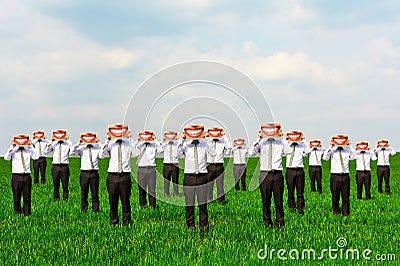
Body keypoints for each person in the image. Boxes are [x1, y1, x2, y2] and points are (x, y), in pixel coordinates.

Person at [249, 123, 285, 228]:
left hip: (277, 174)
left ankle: (280, 223)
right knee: (266, 201)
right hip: (264, 174)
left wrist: (282, 137)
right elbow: (251, 153)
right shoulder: (261, 142)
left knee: (279, 201)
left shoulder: (280, 142)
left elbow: (288, 151)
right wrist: (258, 139)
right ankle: (267, 222)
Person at [178, 125, 211, 234]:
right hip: (189, 177)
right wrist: (181, 140)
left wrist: (207, 138)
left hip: (202, 176)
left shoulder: (205, 144)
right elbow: (177, 154)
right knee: (189, 204)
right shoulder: (186, 145)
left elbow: (213, 153)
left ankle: (204, 226)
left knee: (203, 204)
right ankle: (190, 225)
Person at [100, 124, 135, 225]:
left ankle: (127, 223)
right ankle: (114, 223)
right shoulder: (110, 144)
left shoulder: (128, 143)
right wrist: (107, 140)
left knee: (126, 201)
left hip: (125, 176)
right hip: (112, 176)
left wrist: (130, 139)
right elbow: (101, 155)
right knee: (113, 202)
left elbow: (137, 154)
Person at [4, 135, 39, 216]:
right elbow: (6, 158)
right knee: (16, 198)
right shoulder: (13, 150)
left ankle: (27, 215)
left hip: (26, 176)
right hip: (16, 176)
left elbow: (36, 157)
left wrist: (31, 146)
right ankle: (17, 214)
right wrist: (12, 147)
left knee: (27, 198)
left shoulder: (28, 150)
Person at [323, 135, 356, 216]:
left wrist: (349, 145)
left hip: (345, 176)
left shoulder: (347, 150)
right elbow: (325, 158)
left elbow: (354, 157)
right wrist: (330, 146)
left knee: (345, 197)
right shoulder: (332, 150)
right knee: (335, 197)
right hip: (335, 176)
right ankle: (336, 213)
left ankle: (346, 214)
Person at [72, 133, 102, 213]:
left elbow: (102, 155)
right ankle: (84, 210)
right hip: (84, 173)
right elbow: (72, 152)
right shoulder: (81, 148)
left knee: (95, 193)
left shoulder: (97, 148)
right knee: (84, 193)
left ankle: (95, 210)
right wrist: (79, 142)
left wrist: (98, 142)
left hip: (94, 173)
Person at [134, 131, 162, 209]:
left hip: (151, 169)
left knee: (152, 190)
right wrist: (138, 140)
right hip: (141, 169)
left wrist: (155, 139)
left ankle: (153, 207)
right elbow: (134, 152)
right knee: (141, 191)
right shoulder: (139, 145)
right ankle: (143, 206)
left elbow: (160, 150)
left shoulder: (154, 144)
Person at [283, 131, 308, 215]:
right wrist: (286, 139)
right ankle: (291, 209)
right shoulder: (286, 145)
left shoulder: (302, 145)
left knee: (300, 192)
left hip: (299, 170)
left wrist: (303, 140)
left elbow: (307, 152)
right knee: (290, 191)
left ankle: (301, 209)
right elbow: (283, 151)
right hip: (290, 170)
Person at [44, 129, 73, 201]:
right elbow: (46, 152)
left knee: (65, 184)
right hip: (55, 166)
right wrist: (51, 141)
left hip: (65, 166)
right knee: (56, 184)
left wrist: (68, 140)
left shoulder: (67, 144)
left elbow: (72, 151)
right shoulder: (53, 144)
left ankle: (65, 199)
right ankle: (56, 199)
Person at [205, 127, 231, 205]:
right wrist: (206, 136)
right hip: (210, 165)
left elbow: (229, 148)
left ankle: (221, 201)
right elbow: (202, 144)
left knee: (220, 185)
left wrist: (224, 136)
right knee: (209, 184)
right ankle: (209, 199)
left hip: (219, 165)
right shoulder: (207, 141)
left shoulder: (223, 141)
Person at [160, 131, 181, 197]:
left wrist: (178, 139)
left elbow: (180, 153)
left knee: (175, 180)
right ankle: (166, 194)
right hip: (166, 165)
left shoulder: (177, 144)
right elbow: (160, 150)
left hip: (175, 164)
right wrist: (163, 140)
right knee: (166, 180)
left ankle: (176, 194)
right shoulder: (165, 144)